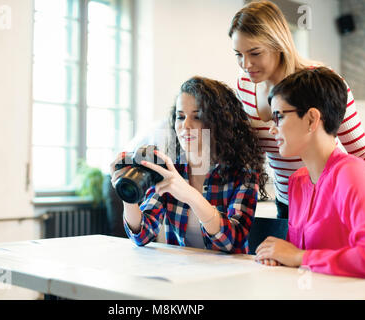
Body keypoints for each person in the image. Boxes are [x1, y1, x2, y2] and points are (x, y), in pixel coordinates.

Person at [229, 1, 365, 219]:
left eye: (255, 53)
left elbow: (363, 152)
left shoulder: (319, 82)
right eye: (238, 54)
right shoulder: (245, 86)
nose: (246, 64)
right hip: (287, 203)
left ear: (278, 44)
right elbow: (250, 154)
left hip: (327, 201)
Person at [109, 76, 267, 253]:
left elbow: (232, 242)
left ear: (219, 122)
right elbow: (142, 235)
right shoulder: (171, 167)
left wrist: (191, 196)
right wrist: (128, 194)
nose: (185, 125)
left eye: (197, 117)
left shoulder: (243, 173)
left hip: (227, 275)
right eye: (180, 116)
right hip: (182, 273)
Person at [255, 67, 365, 279]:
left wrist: (298, 257)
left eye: (279, 117)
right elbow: (296, 256)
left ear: (312, 119)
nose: (272, 129)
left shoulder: (351, 174)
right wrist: (278, 255)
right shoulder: (297, 181)